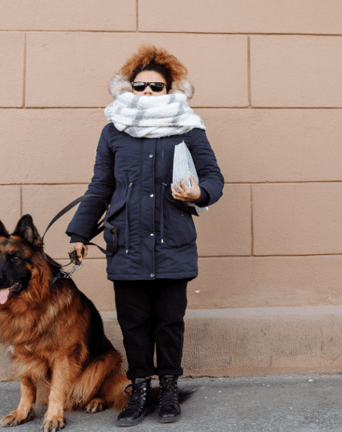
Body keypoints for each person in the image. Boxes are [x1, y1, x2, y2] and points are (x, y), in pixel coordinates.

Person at [66, 44, 224, 426]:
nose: (148, 92)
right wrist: (79, 233)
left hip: (173, 243)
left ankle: (168, 390)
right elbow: (100, 186)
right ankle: (138, 390)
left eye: (157, 86)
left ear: (171, 88)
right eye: (141, 86)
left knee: (169, 323)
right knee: (133, 323)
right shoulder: (114, 131)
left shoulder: (188, 128)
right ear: (129, 88)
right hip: (127, 244)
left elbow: (213, 178)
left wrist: (199, 193)